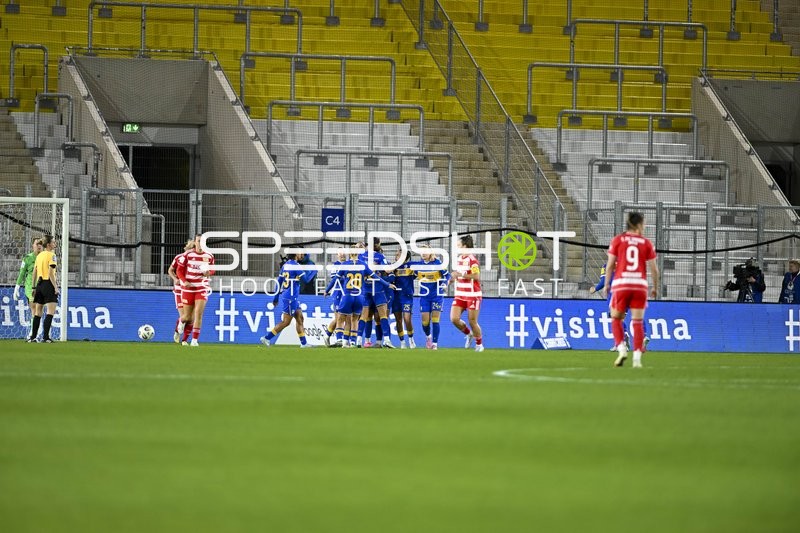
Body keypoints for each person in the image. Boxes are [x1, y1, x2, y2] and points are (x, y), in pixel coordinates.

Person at [602, 212, 659, 368]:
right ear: (638, 225)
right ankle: (637, 359)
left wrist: (607, 284)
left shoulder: (618, 240)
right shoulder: (646, 243)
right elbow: (654, 269)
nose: (644, 227)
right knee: (638, 322)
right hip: (639, 285)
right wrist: (655, 287)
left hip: (621, 284)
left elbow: (610, 266)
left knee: (615, 318)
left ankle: (621, 349)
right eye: (644, 224)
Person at [589, 263, 649, 351]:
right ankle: (643, 336)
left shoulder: (607, 265)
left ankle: (622, 341)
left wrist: (595, 289)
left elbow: (604, 281)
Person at [260, 254, 316, 347]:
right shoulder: (296, 266)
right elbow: (306, 280)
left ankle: (304, 343)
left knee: (300, 318)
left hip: (288, 295)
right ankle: (266, 338)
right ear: (295, 254)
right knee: (286, 322)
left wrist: (276, 297)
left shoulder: (285, 265)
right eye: (299, 253)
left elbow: (279, 282)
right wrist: (314, 272)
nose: (301, 254)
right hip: (291, 297)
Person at [176, 234, 215, 347]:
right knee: (187, 317)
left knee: (198, 313)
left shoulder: (209, 255)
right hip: (188, 288)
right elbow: (179, 270)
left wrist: (208, 273)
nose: (201, 244)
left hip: (201, 287)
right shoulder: (187, 254)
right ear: (195, 242)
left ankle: (194, 340)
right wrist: (184, 281)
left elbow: (212, 270)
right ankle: (181, 322)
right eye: (199, 241)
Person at [357, 238, 395, 349]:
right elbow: (388, 271)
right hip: (378, 288)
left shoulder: (361, 255)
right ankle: (386, 340)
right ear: (378, 244)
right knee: (383, 316)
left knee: (364, 316)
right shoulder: (380, 256)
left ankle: (359, 340)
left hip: (366, 288)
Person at [450, 235, 484, 352]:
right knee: (454, 319)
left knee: (472, 321)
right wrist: (451, 280)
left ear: (465, 246)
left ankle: (479, 344)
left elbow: (476, 276)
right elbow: (457, 274)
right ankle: (469, 334)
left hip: (473, 295)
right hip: (460, 294)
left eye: (459, 245)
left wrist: (461, 275)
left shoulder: (472, 260)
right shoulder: (459, 259)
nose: (457, 247)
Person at [416, 245, 450, 350]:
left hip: (436, 295)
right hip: (424, 296)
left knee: (435, 320)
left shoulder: (437, 263)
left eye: (426, 251)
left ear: (430, 252)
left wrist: (445, 284)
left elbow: (448, 275)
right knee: (425, 322)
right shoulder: (418, 265)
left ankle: (435, 343)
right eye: (422, 251)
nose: (423, 253)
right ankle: (428, 337)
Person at [29, 235, 59, 343]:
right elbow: (51, 273)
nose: (55, 244)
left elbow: (34, 272)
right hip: (48, 284)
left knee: (38, 312)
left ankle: (33, 337)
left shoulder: (39, 256)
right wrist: (55, 287)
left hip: (39, 284)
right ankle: (45, 337)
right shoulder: (52, 255)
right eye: (53, 242)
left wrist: (33, 287)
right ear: (49, 244)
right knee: (50, 312)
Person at [13, 237, 43, 339]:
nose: (39, 245)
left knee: (40, 309)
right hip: (31, 286)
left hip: (43, 285)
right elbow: (22, 273)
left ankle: (38, 330)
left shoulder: (44, 257)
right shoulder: (27, 258)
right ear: (33, 245)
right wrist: (17, 287)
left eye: (41, 243)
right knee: (34, 308)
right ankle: (34, 332)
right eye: (37, 243)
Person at [168, 239, 196, 343]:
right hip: (180, 290)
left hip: (191, 290)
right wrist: (175, 279)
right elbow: (170, 270)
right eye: (192, 248)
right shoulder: (179, 257)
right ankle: (177, 330)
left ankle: (184, 340)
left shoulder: (197, 260)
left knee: (192, 318)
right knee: (185, 317)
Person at [392, 249, 416, 349]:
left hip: (407, 296)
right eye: (397, 254)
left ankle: (411, 339)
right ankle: (402, 342)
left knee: (407, 319)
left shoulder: (411, 266)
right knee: (398, 320)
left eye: (399, 254)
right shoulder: (393, 267)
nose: (397, 255)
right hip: (396, 297)